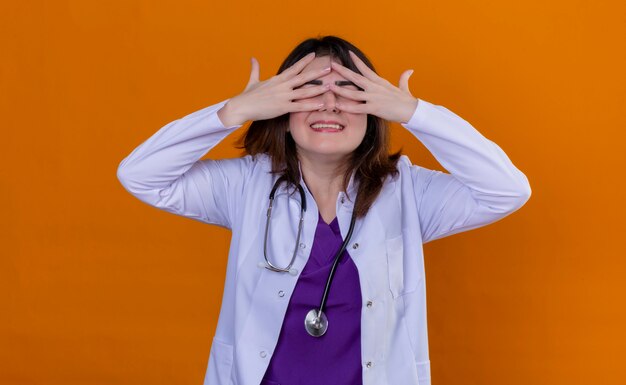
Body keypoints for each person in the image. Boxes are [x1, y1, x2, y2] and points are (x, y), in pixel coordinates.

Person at [117, 35, 531, 385]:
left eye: (349, 92)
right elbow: (140, 175)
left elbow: (507, 189)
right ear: (281, 107)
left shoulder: (407, 192)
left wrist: (413, 113)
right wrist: (235, 110)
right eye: (310, 90)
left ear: (374, 109)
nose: (329, 104)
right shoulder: (245, 185)